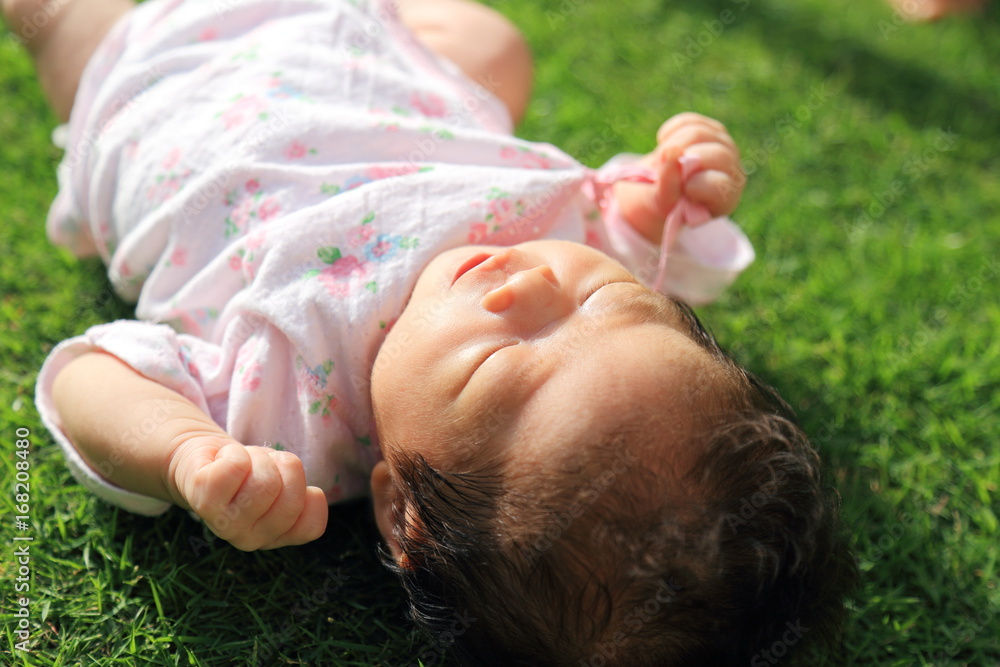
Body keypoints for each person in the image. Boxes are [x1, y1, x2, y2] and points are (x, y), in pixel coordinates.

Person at [7, 0, 857, 662]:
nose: (528, 283)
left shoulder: (288, 404)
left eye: (499, 362)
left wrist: (185, 451)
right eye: (615, 301)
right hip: (356, 48)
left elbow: (87, 375)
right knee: (493, 49)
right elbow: (637, 229)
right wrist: (674, 186)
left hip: (155, 73)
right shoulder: (562, 248)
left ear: (401, 510)